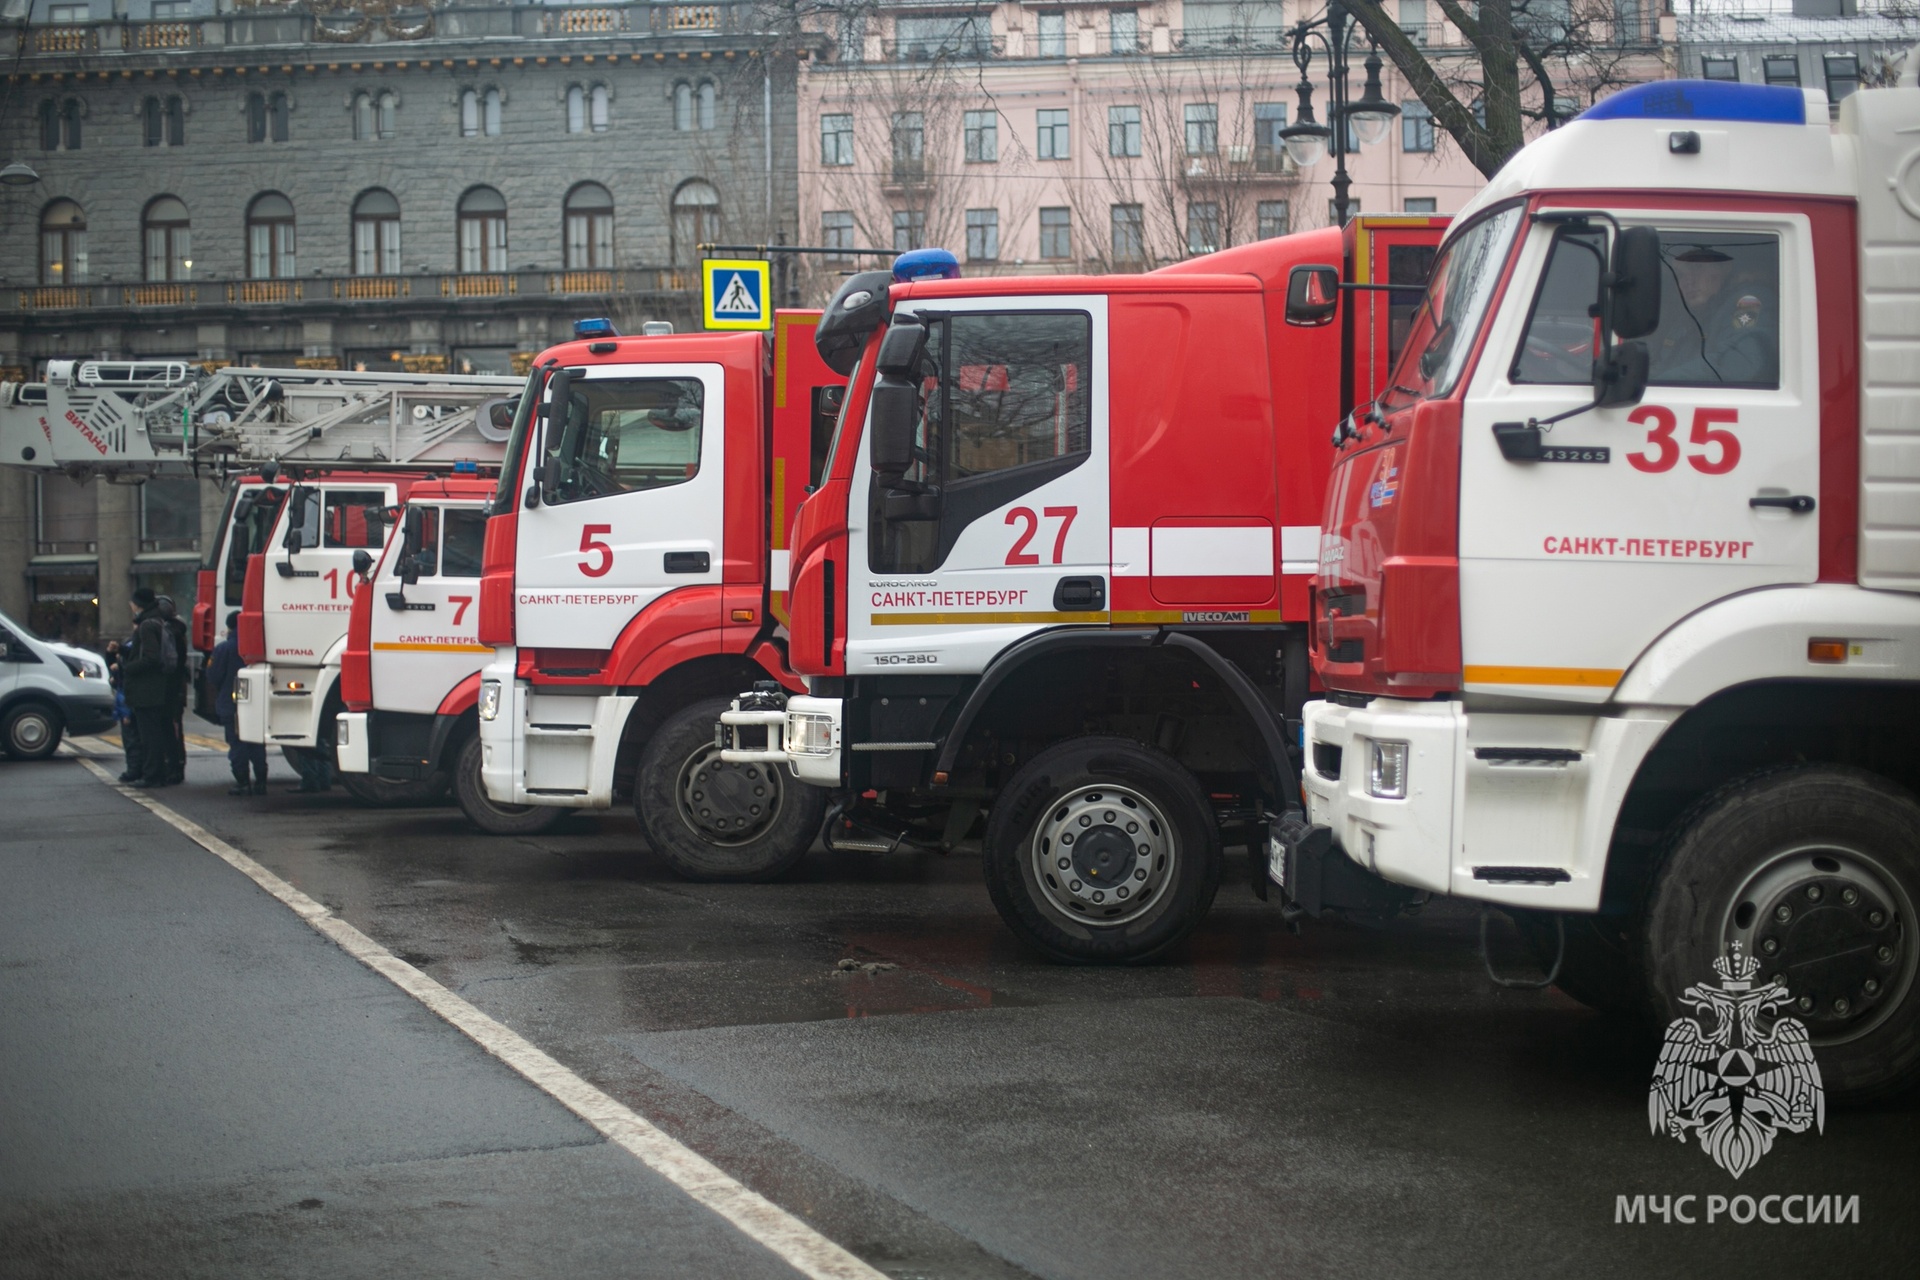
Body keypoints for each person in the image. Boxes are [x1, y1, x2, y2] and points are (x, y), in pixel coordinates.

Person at [119, 587, 183, 788]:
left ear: (138, 604)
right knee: (159, 732)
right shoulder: (158, 621)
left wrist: (127, 668)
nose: (131, 607)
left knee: (150, 735)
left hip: (147, 690)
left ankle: (152, 775)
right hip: (158, 688)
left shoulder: (147, 625)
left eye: (132, 603)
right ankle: (160, 772)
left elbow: (151, 658)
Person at [207, 610, 267, 796]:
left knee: (237, 743)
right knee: (256, 743)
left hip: (230, 702)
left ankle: (242, 781)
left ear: (230, 627)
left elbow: (213, 675)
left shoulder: (224, 648)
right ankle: (261, 782)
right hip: (257, 702)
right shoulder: (260, 646)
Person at [157, 594, 191, 785]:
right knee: (174, 728)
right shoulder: (176, 629)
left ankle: (175, 767)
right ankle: (176, 765)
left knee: (172, 729)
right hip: (176, 688)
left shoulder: (171, 632)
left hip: (172, 688)